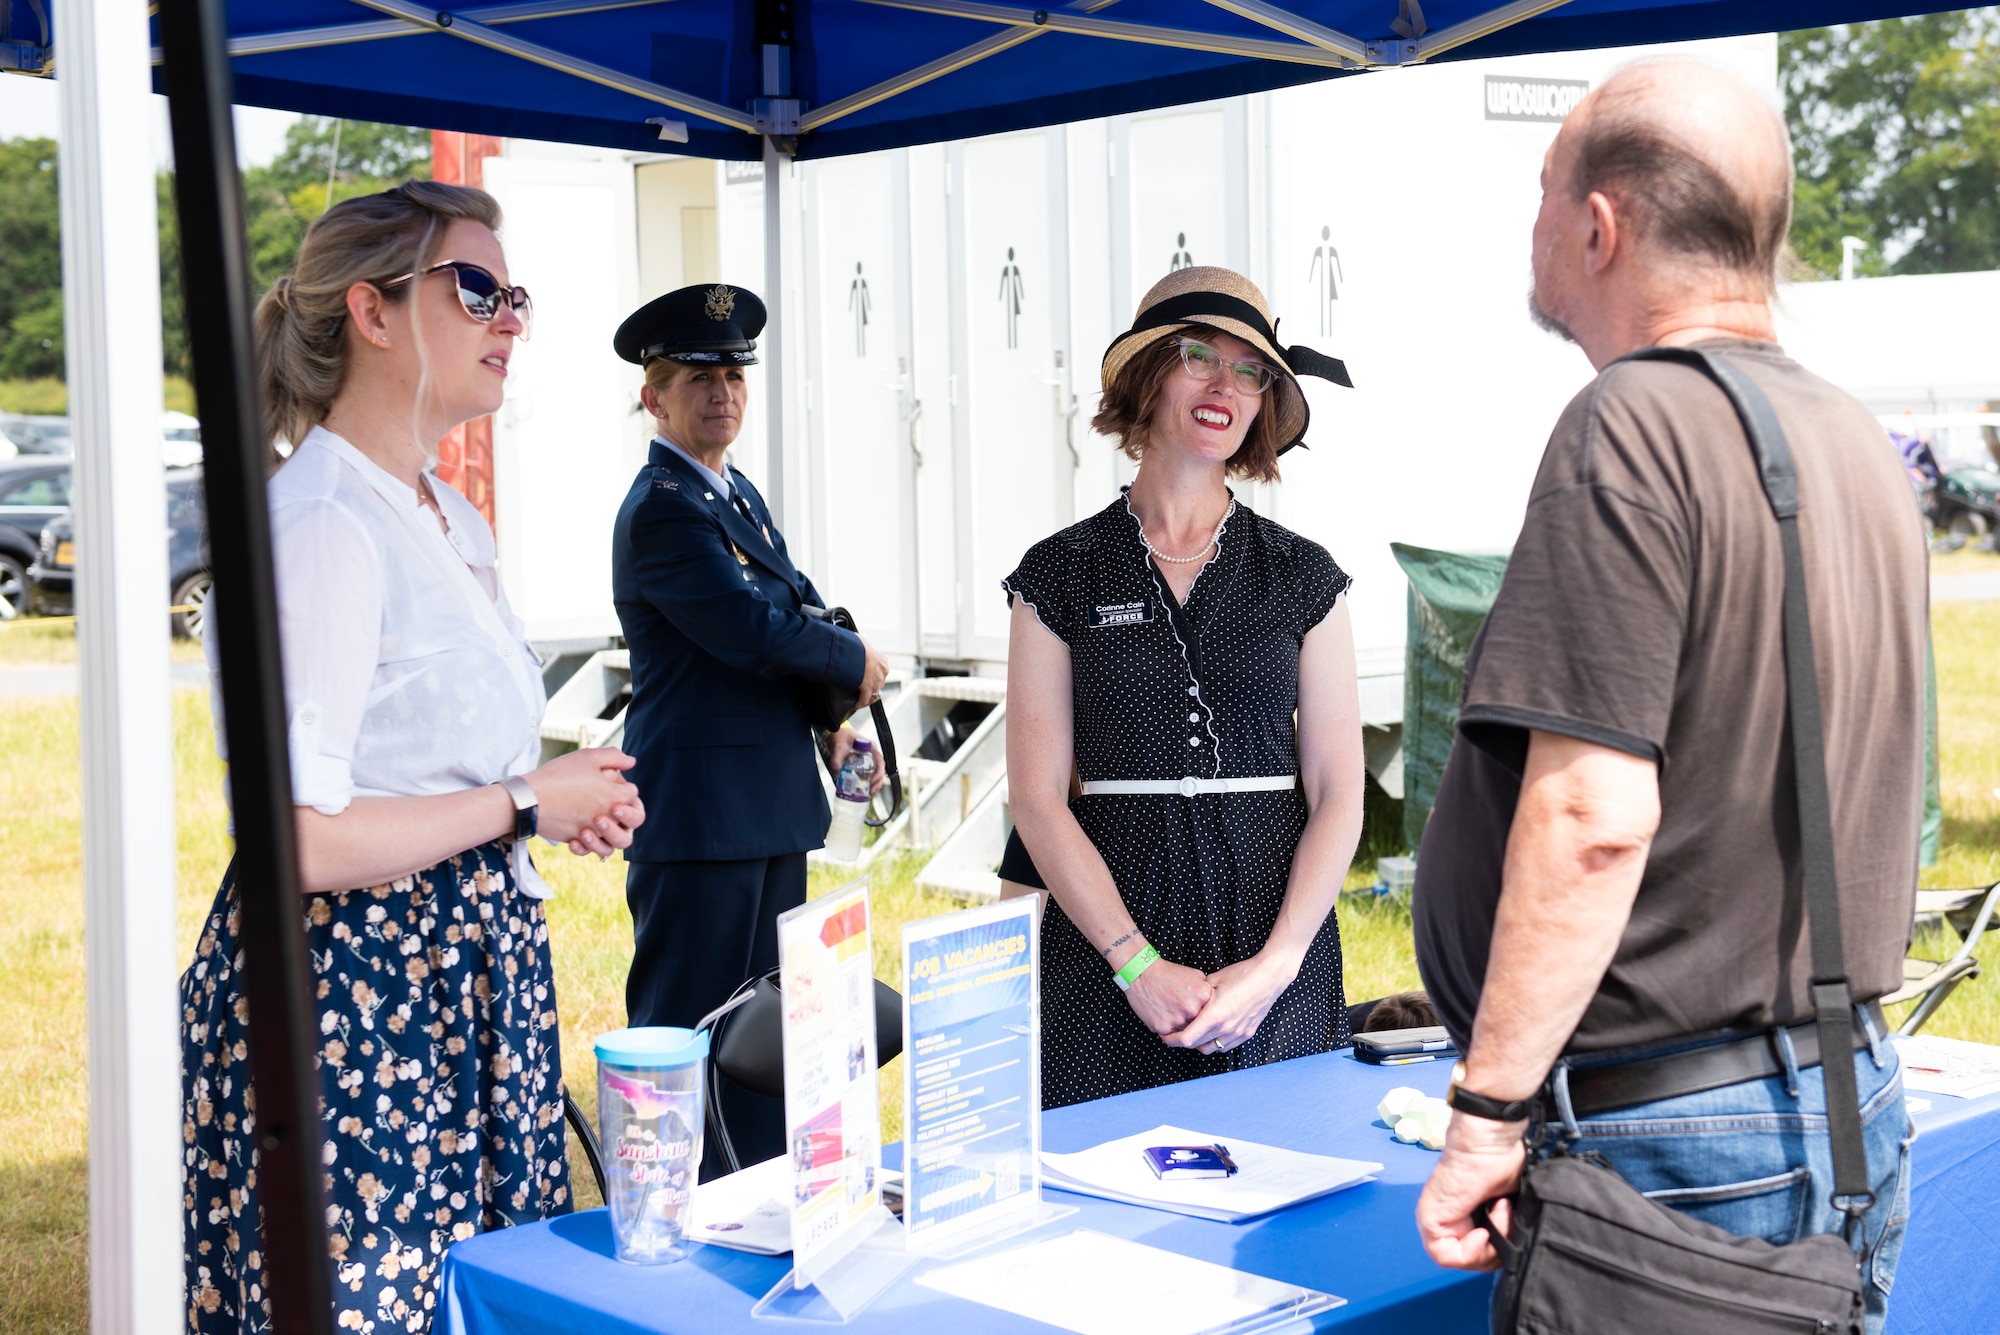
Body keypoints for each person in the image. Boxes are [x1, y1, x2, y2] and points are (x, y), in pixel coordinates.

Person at [1410, 61, 1925, 1331]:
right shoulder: (1852, 437)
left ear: (1598, 224)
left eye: (1541, 192)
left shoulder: (1628, 422)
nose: (1532, 226)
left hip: (1679, 1131)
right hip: (1838, 1092)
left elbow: (1590, 816)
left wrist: (1483, 1115)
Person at [181, 182, 647, 1334]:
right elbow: (292, 837)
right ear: (373, 314)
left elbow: (437, 767)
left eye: (515, 296)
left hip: (455, 982)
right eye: (477, 289)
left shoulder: (440, 509)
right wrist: (519, 801)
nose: (510, 321)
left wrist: (546, 802)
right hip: (355, 1001)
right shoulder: (325, 523)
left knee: (484, 1296)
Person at [1004, 266, 1364, 1108]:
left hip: (1276, 949)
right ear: (1149, 372)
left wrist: (1277, 968)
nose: (1225, 386)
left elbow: (1340, 790)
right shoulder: (1057, 574)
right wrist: (1134, 962)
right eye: (1200, 356)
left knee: (1284, 1199)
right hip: (1108, 947)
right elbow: (1037, 797)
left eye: (1250, 370)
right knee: (1103, 1205)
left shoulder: (1305, 576)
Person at [610, 284, 889, 1175]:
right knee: (692, 1022)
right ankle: (669, 1200)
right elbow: (750, 630)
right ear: (653, 395)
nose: (722, 391)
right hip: (701, 815)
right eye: (697, 375)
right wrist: (851, 663)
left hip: (763, 805)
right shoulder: (662, 507)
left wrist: (833, 720)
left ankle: (761, 1192)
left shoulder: (733, 493)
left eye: (733, 372)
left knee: (772, 1022)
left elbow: (795, 603)